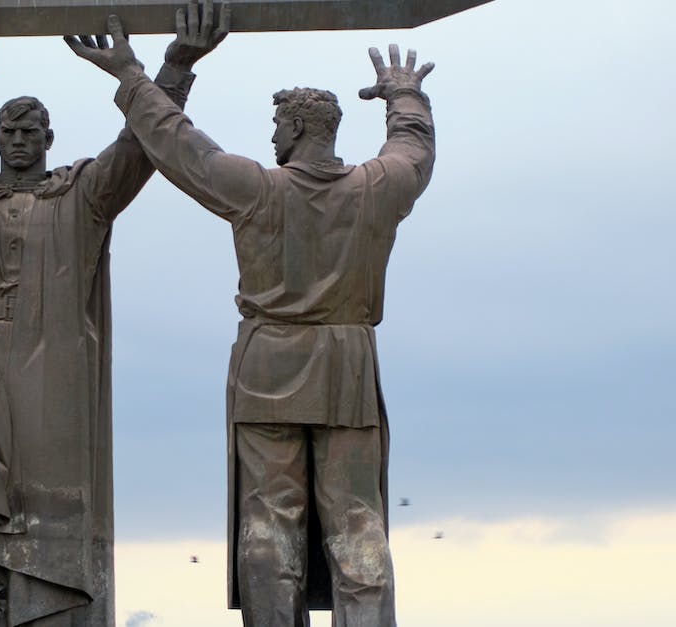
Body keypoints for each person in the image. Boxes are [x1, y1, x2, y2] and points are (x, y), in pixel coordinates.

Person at [68, 17, 435, 626]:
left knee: (269, 525)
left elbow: (179, 144)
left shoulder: (256, 189)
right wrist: (404, 93)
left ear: (294, 128)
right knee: (357, 524)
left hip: (268, 366)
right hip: (346, 365)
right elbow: (415, 149)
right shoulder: (380, 187)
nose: (272, 138)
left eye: (276, 126)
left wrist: (132, 75)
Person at [0, 2, 227, 626]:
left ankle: (28, 605)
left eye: (32, 131)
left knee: (42, 507)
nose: (20, 140)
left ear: (49, 139)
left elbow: (140, 149)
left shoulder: (80, 196)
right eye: (9, 131)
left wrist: (175, 65)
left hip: (48, 375)